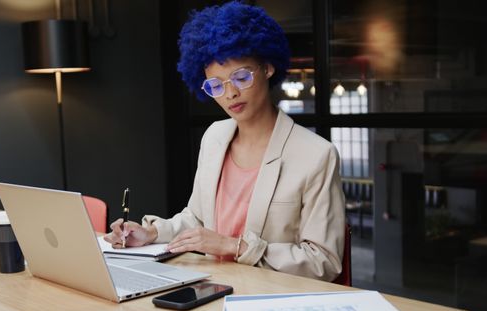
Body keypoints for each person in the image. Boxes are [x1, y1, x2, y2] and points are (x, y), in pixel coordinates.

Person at [104, 1, 345, 281]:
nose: (229, 94)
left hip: (269, 298)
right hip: (211, 287)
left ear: (267, 67)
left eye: (241, 77)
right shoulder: (215, 137)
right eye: (215, 85)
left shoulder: (316, 155)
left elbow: (324, 262)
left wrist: (234, 246)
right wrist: (151, 233)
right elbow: (196, 218)